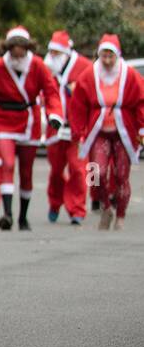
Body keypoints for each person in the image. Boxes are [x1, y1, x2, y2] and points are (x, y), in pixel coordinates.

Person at [0, 26, 62, 231]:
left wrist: (55, 114)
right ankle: (7, 214)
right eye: (13, 46)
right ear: (8, 47)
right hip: (2, 120)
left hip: (29, 120)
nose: (17, 51)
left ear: (27, 47)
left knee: (26, 171)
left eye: (21, 47)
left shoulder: (38, 66)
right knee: (6, 163)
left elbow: (51, 92)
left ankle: (23, 217)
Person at [68, 34, 144, 231]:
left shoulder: (130, 75)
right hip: (98, 132)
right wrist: (78, 132)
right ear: (99, 55)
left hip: (123, 132)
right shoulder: (89, 74)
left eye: (111, 56)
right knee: (96, 173)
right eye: (104, 56)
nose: (108, 61)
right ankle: (106, 207)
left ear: (117, 55)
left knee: (121, 175)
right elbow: (77, 105)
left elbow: (141, 102)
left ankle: (120, 216)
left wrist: (141, 129)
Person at [43, 30, 89, 225]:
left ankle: (77, 210)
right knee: (55, 170)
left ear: (66, 53)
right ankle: (55, 202)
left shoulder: (85, 68)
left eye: (56, 53)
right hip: (55, 128)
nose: (52, 56)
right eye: (50, 52)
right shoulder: (46, 69)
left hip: (77, 129)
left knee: (78, 169)